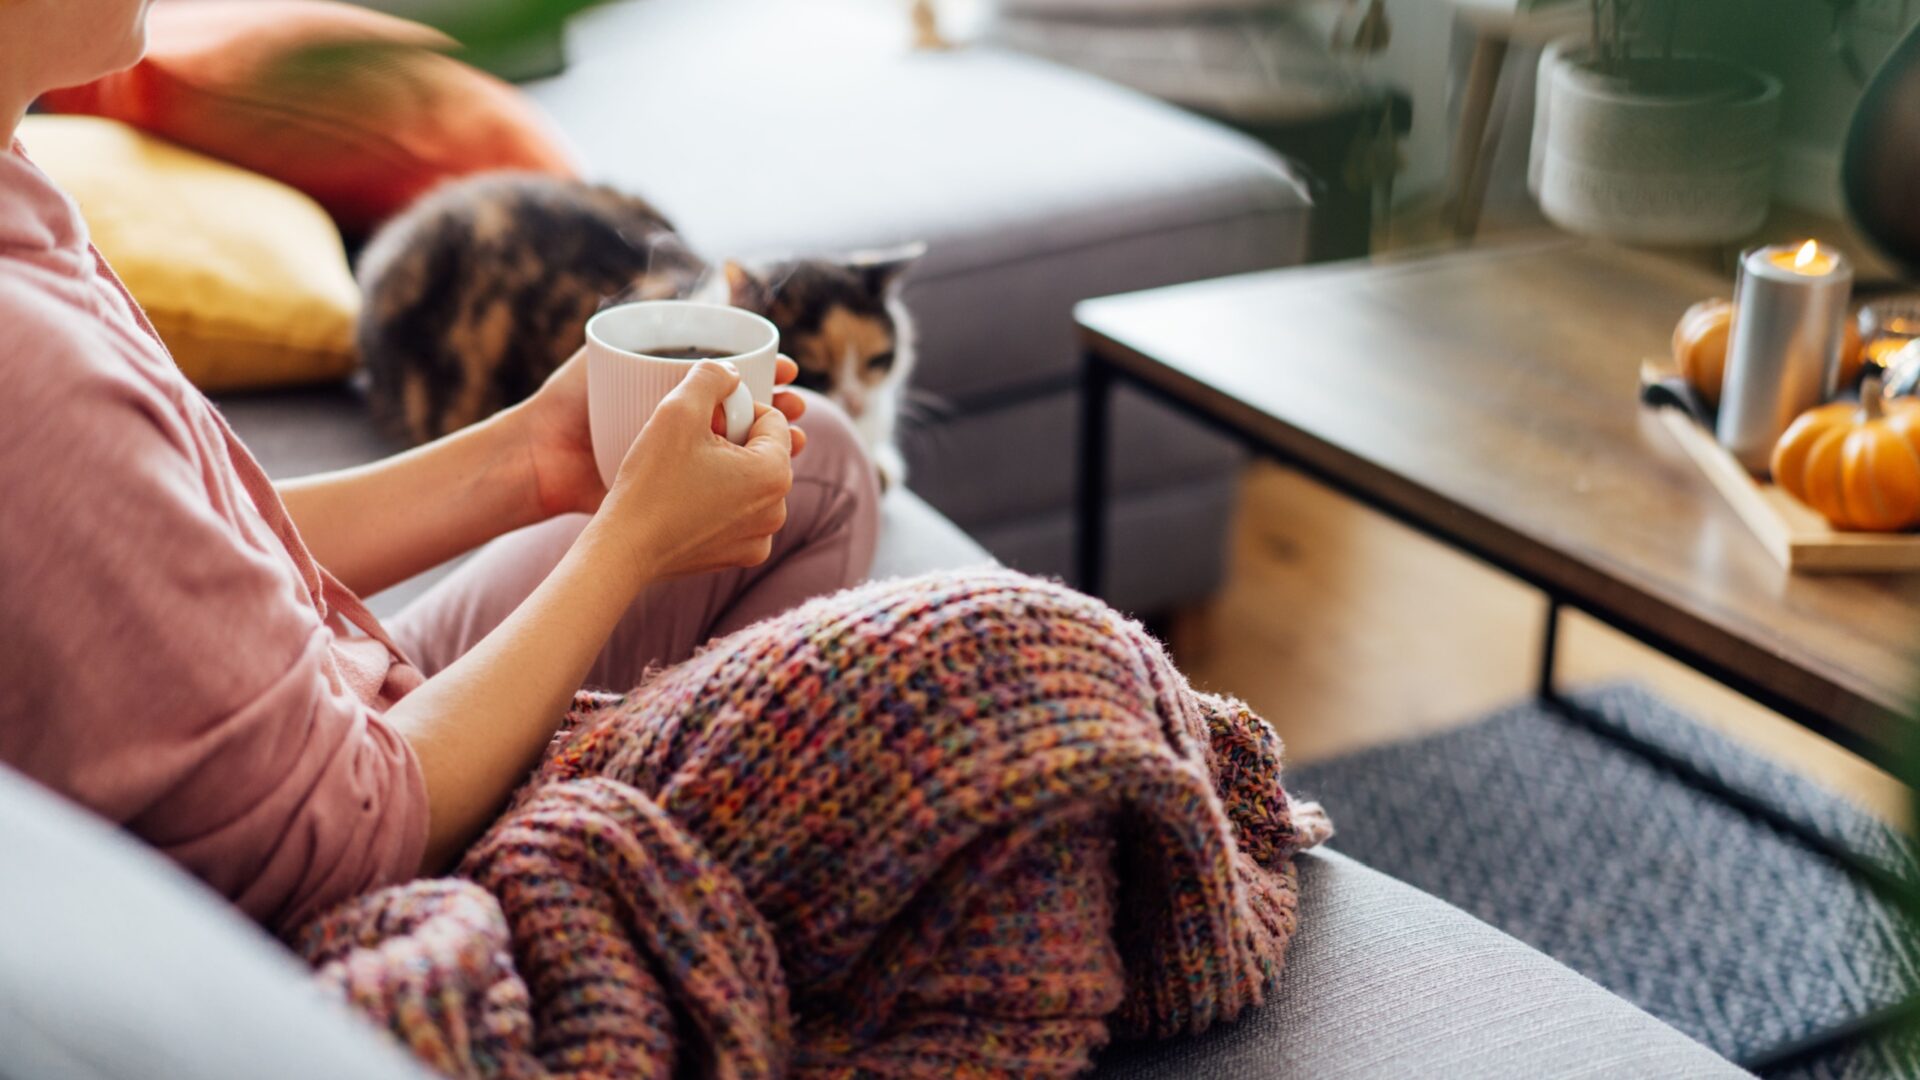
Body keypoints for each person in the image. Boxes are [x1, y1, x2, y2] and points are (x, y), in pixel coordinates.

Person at [0, 0, 879, 934]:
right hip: (360, 844)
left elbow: (166, 549)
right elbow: (349, 834)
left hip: (328, 706)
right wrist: (630, 543)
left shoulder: (21, 202)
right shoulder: (34, 368)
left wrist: (525, 459)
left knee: (808, 452)